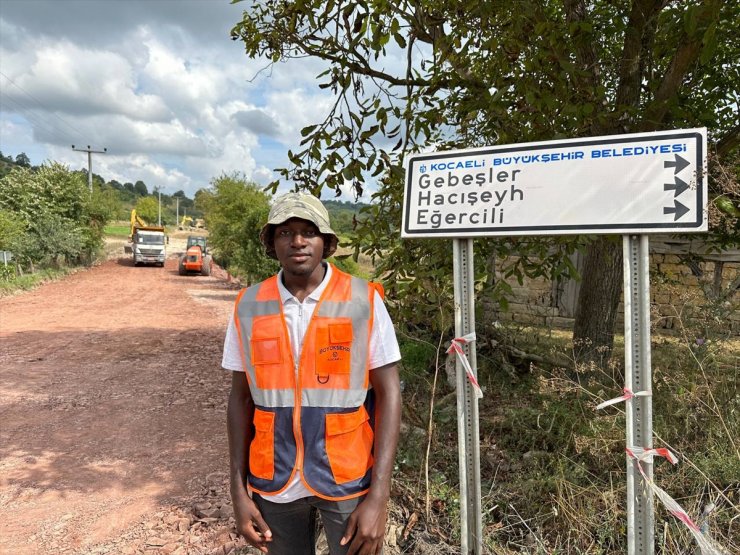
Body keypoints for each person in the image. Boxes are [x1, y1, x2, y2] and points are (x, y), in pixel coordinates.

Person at [222, 192, 402, 555]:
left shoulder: (362, 300)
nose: (298, 241)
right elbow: (239, 399)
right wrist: (238, 492)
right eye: (285, 232)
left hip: (348, 480)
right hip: (274, 482)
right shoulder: (248, 305)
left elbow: (390, 393)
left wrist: (379, 497)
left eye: (309, 231)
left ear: (327, 242)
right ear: (272, 243)